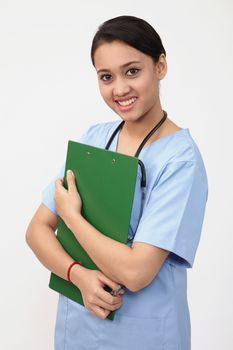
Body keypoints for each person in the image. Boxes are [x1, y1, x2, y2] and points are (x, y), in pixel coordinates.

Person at [25, 15, 208, 350]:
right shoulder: (94, 140)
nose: (119, 88)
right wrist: (76, 274)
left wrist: (72, 217)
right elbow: (36, 230)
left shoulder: (180, 160)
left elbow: (137, 272)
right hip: (77, 332)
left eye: (132, 71)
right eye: (106, 76)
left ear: (161, 66)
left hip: (145, 336)